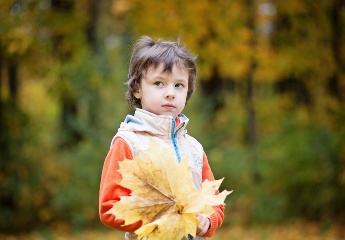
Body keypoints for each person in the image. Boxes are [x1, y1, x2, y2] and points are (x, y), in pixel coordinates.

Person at [99, 35, 225, 240]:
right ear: (138, 89)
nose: (170, 93)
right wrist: (157, 219)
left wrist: (208, 220)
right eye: (159, 83)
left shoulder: (194, 148)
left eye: (179, 85)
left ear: (188, 91)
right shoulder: (129, 142)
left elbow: (214, 201)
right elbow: (110, 206)